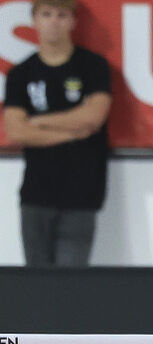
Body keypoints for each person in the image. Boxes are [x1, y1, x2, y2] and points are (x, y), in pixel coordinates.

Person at [2, 0, 111, 266]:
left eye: (62, 15)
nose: (54, 22)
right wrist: (73, 132)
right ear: (34, 20)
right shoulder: (20, 74)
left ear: (73, 21)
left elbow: (94, 116)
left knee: (72, 284)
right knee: (37, 285)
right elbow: (16, 129)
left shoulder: (92, 66)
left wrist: (38, 122)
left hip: (82, 193)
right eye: (46, 14)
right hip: (36, 195)